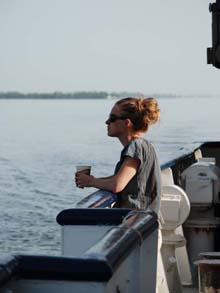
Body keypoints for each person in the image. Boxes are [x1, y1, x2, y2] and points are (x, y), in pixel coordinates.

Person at [75, 97, 161, 213]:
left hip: (138, 221)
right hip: (143, 220)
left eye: (112, 118)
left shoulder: (136, 147)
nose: (107, 122)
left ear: (127, 123)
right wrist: (91, 180)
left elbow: (117, 184)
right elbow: (120, 178)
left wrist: (91, 182)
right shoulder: (143, 145)